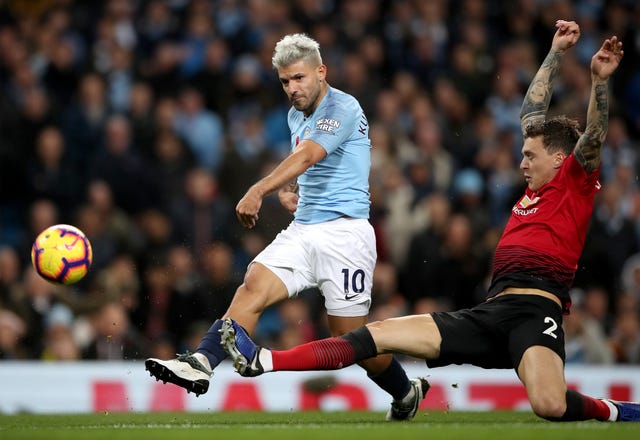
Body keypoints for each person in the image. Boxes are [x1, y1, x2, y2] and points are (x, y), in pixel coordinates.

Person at [220, 22, 640, 422]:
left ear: (559, 160)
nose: (521, 162)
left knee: (549, 404)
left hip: (536, 312)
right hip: (491, 311)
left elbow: (595, 136)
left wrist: (599, 80)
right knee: (375, 335)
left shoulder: (575, 184)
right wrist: (554, 51)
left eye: (530, 156)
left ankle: (622, 411)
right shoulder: (535, 184)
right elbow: (532, 109)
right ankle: (264, 360)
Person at [146, 33, 427, 421]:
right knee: (253, 283)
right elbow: (312, 163)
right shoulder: (297, 113)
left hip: (345, 235)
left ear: (321, 72)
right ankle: (201, 362)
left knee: (353, 341)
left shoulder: (343, 106)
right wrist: (296, 193)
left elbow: (310, 153)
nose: (292, 89)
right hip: (303, 229)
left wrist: (260, 189)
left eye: (299, 78)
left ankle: (404, 391)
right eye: (284, 81)